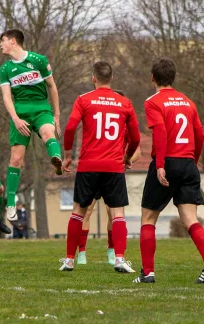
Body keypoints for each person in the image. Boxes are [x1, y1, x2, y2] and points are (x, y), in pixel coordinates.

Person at [133, 59, 204, 285]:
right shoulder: (188, 102)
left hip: (168, 161)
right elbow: (199, 134)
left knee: (148, 217)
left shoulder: (152, 102)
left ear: (153, 78)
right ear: (173, 77)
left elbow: (160, 132)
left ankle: (148, 273)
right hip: (188, 163)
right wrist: (194, 160)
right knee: (190, 219)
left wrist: (160, 164)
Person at [59, 62, 140, 273]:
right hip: (114, 166)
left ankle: (69, 260)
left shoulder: (83, 100)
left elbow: (69, 128)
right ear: (111, 78)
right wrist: (128, 157)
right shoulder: (124, 102)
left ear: (93, 78)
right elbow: (136, 137)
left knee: (78, 212)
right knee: (117, 214)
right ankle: (119, 259)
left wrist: (67, 156)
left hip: (88, 166)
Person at [0, 29, 62, 221]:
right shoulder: (5, 69)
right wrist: (16, 119)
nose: (0, 45)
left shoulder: (39, 60)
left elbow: (52, 87)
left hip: (41, 108)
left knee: (48, 131)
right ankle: (10, 202)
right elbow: (7, 97)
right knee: (16, 159)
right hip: (21, 113)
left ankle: (56, 159)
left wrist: (57, 115)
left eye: (3, 41)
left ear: (13, 41)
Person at [76, 89, 141, 266]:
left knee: (113, 213)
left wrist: (125, 160)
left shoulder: (125, 123)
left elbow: (138, 151)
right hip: (97, 168)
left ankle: (112, 251)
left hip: (113, 171)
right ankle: (81, 252)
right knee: (87, 210)